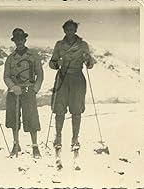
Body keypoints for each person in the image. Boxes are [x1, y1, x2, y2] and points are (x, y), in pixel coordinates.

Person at [49, 19, 94, 154]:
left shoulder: (83, 45)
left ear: (75, 30)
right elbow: (52, 63)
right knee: (59, 109)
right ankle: (58, 136)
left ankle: (75, 138)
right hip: (62, 78)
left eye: (72, 29)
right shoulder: (59, 44)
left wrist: (88, 59)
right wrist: (58, 63)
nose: (69, 32)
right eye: (67, 29)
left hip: (77, 78)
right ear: (64, 30)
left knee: (76, 109)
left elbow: (90, 65)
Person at [4, 28, 44, 158]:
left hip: (28, 90)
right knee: (13, 118)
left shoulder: (33, 56)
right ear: (14, 41)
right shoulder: (10, 58)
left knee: (31, 118)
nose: (19, 42)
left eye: (21, 39)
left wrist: (35, 89)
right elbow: (6, 76)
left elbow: (40, 75)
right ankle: (16, 144)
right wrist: (13, 86)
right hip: (14, 91)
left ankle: (35, 146)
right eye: (17, 39)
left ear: (25, 40)